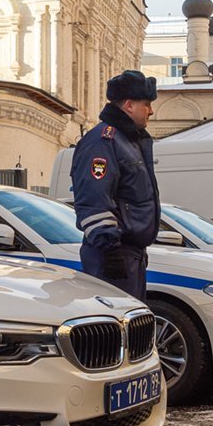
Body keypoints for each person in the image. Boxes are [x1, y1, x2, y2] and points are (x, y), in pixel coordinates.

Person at [71, 70, 160, 300]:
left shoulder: (128, 141)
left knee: (131, 328)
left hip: (129, 255)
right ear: (129, 105)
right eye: (146, 104)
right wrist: (110, 249)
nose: (151, 111)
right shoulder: (103, 141)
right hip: (111, 255)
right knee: (113, 330)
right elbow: (94, 199)